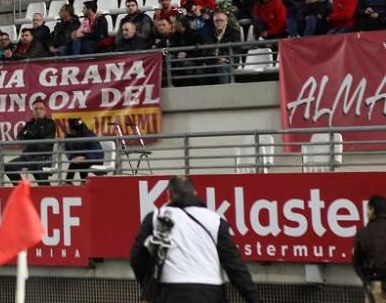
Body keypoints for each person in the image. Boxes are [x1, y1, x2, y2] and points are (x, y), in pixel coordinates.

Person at [130, 176, 260, 303]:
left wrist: (148, 288)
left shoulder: (156, 218)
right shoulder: (215, 220)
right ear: (195, 193)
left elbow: (137, 257)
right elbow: (235, 266)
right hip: (211, 292)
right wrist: (253, 299)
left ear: (169, 195)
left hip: (171, 291)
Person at [3, 98, 55, 185]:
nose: (38, 111)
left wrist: (29, 134)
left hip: (43, 156)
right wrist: (33, 134)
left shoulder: (50, 123)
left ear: (45, 111)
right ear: (33, 111)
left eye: (41, 109)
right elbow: (19, 137)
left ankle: (46, 190)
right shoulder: (29, 124)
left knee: (35, 166)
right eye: (36, 109)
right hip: (27, 156)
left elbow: (42, 133)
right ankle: (22, 188)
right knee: (8, 167)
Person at [353, 195, 386, 303]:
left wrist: (365, 278)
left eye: (367, 209)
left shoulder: (363, 233)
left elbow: (357, 262)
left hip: (376, 284)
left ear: (372, 210)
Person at [203, 11, 241, 84]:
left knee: (221, 67)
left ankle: (224, 92)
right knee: (198, 70)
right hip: (213, 62)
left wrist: (226, 58)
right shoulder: (210, 34)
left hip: (229, 61)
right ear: (213, 22)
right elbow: (205, 50)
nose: (219, 22)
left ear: (226, 22)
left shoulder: (234, 33)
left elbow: (237, 50)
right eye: (216, 21)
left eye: (221, 20)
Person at [63, 118, 104, 183]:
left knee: (80, 164)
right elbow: (68, 151)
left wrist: (85, 157)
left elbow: (97, 153)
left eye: (68, 127)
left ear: (74, 128)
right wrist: (72, 158)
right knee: (74, 163)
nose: (66, 129)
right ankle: (70, 183)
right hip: (79, 161)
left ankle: (82, 183)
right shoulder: (68, 137)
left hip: (94, 159)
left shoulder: (89, 135)